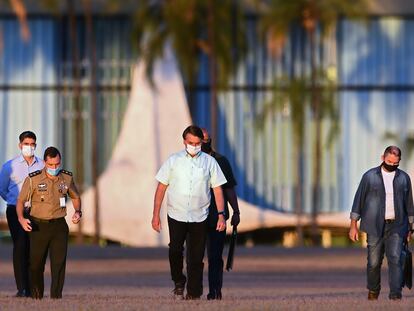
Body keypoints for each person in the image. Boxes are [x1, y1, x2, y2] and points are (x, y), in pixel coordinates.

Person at [152, 125, 227, 300]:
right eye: (191, 143)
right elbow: (161, 188)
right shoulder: (173, 160)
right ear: (184, 142)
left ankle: (194, 292)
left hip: (199, 216)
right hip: (176, 214)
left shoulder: (210, 163)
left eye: (197, 143)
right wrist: (155, 214)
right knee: (175, 250)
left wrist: (221, 214)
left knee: (196, 257)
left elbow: (217, 190)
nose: (194, 146)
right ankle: (178, 281)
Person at [349, 146, 414, 301]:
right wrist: (353, 225)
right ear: (382, 158)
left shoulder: (404, 178)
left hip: (398, 226)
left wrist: (411, 228)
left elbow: (409, 205)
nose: (391, 165)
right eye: (389, 161)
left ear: (399, 161)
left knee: (395, 258)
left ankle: (395, 295)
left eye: (395, 163)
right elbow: (358, 200)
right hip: (373, 225)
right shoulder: (369, 176)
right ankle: (373, 291)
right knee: (373, 262)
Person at [16, 146, 82, 299]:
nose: (54, 167)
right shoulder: (33, 179)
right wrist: (21, 218)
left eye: (57, 164)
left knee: (58, 264)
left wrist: (78, 212)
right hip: (38, 226)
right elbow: (20, 201)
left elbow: (76, 197)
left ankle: (56, 296)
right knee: (36, 264)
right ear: (45, 162)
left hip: (59, 226)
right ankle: (37, 295)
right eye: (51, 165)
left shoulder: (66, 178)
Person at [0, 131, 45, 297]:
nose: (29, 147)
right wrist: (15, 202)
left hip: (36, 211)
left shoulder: (42, 166)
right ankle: (22, 288)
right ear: (20, 145)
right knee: (20, 246)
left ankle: (34, 287)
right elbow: (2, 189)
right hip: (15, 210)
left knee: (34, 249)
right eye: (26, 144)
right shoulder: (9, 166)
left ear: (36, 145)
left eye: (32, 144)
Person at [201, 128, 240, 300]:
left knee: (215, 257)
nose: (203, 143)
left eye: (206, 140)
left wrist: (236, 211)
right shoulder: (187, 162)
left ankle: (215, 291)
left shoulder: (221, 161)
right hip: (195, 217)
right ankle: (193, 291)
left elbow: (229, 189)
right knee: (193, 258)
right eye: (200, 140)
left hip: (217, 216)